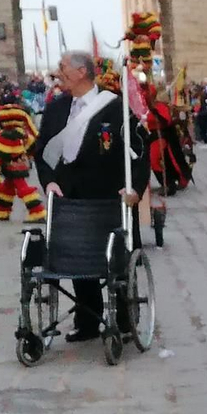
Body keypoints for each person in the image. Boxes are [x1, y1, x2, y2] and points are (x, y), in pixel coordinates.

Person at [35, 50, 147, 342]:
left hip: (110, 198)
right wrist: (48, 183)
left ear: (81, 72)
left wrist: (134, 188)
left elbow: (138, 152)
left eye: (62, 67)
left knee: (117, 265)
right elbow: (42, 152)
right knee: (76, 261)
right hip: (70, 197)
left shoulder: (115, 107)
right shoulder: (56, 108)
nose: (57, 73)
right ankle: (87, 320)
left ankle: (124, 321)